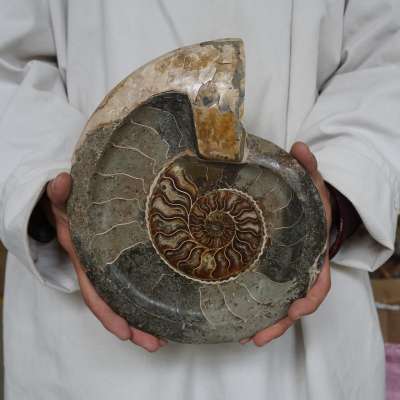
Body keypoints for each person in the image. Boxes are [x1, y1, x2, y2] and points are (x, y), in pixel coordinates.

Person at [0, 1, 399, 399]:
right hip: (90, 329)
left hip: (300, 308)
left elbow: (386, 57)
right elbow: (8, 64)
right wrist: (50, 187)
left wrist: (337, 193)